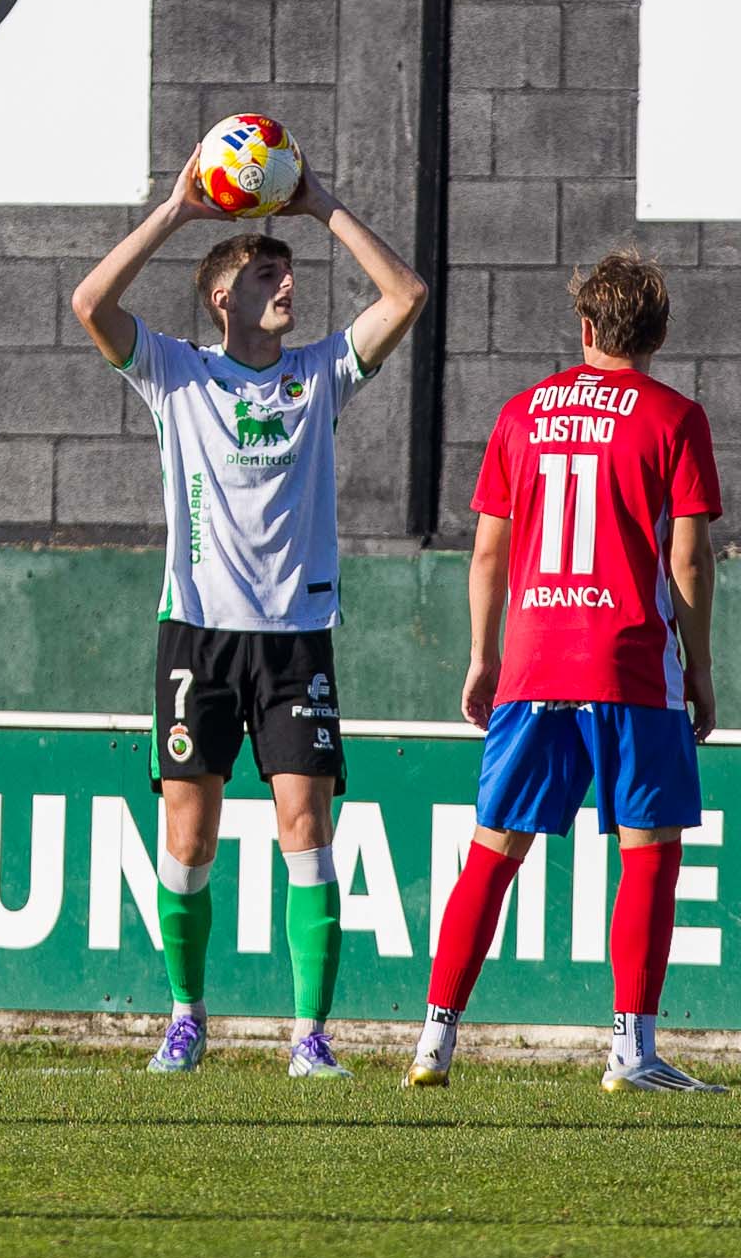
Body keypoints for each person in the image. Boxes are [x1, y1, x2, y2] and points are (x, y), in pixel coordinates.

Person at [70, 144, 428, 1076]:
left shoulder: (320, 372)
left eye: (289, 272)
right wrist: (178, 211)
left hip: (295, 640)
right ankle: (186, 1017)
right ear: (223, 297)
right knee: (189, 837)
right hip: (197, 636)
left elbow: (406, 295)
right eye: (268, 274)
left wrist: (320, 205)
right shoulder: (175, 372)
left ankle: (309, 1035)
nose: (288, 286)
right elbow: (90, 303)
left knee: (307, 828)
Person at [409, 252, 723, 1093]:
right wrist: (699, 667)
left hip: (535, 659)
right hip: (629, 662)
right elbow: (689, 559)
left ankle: (433, 1042)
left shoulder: (521, 413)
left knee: (492, 851)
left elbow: (487, 551)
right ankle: (631, 1050)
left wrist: (484, 655)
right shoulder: (676, 416)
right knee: (648, 850)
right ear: (658, 333)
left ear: (585, 328)